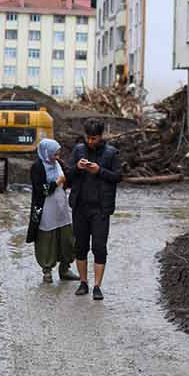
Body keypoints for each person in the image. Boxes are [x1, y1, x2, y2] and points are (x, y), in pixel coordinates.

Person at [65, 118, 121, 301]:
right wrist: (77, 168)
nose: (91, 141)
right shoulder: (79, 150)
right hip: (80, 206)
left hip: (101, 209)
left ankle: (97, 286)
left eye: (94, 138)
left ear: (101, 136)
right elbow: (67, 175)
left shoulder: (111, 153)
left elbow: (118, 177)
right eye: (88, 138)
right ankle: (83, 282)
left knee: (99, 247)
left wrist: (100, 171)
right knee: (80, 247)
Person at [28, 138, 79, 284]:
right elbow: (40, 189)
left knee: (67, 238)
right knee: (46, 240)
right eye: (54, 154)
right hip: (45, 210)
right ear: (46, 153)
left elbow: (69, 176)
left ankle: (65, 269)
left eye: (58, 154)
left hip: (62, 208)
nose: (57, 157)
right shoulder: (37, 167)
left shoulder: (59, 164)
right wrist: (56, 182)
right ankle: (47, 271)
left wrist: (79, 168)